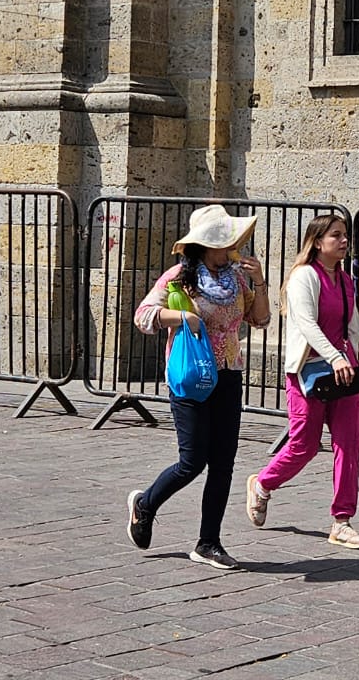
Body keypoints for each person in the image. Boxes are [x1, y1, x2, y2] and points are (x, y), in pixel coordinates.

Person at [125, 204, 271, 569]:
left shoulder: (236, 280)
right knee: (192, 461)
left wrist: (261, 281)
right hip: (191, 376)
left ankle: (209, 542)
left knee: (223, 463)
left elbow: (260, 318)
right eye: (225, 242)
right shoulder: (179, 277)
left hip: (228, 374)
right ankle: (145, 503)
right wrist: (181, 316)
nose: (232, 248)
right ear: (206, 245)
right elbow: (143, 315)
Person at [245, 213, 359, 549]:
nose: (344, 241)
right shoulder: (303, 277)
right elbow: (307, 324)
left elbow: (353, 327)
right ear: (317, 242)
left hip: (343, 372)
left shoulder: (344, 280)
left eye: (345, 236)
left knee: (349, 443)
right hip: (308, 372)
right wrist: (335, 357)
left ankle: (342, 521)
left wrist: (354, 366)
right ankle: (262, 484)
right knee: (304, 445)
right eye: (336, 236)